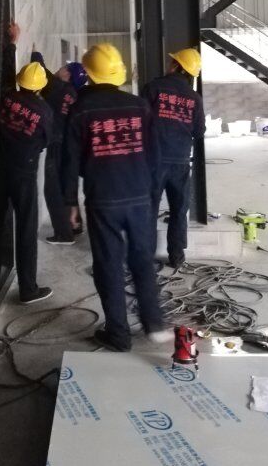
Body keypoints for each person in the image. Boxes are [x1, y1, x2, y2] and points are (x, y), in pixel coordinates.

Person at [63, 43, 169, 352]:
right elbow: (155, 155)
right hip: (139, 195)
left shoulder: (80, 110)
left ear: (89, 74)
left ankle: (119, 335)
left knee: (108, 264)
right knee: (142, 260)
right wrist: (150, 192)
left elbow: (69, 162)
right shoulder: (139, 106)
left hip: (103, 198)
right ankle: (154, 325)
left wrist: (70, 203)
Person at [0, 22, 54, 304]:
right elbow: (46, 142)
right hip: (23, 175)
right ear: (41, 87)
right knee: (26, 229)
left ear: (21, 81)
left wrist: (12, 43)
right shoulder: (44, 112)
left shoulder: (6, 94)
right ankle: (27, 289)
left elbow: (5, 70)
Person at [142, 48, 205, 268]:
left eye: (173, 61)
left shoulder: (153, 88)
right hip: (180, 161)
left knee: (149, 208)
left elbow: (139, 120)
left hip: (154, 160)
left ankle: (145, 257)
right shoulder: (194, 98)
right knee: (179, 210)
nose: (169, 64)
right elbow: (199, 131)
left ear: (177, 66)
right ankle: (176, 256)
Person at [30, 52, 87, 245]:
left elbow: (39, 70)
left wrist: (36, 53)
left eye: (65, 67)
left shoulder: (57, 87)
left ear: (68, 75)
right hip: (71, 145)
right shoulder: (73, 94)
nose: (61, 68)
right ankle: (75, 225)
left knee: (52, 189)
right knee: (67, 185)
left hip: (56, 144)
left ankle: (64, 234)